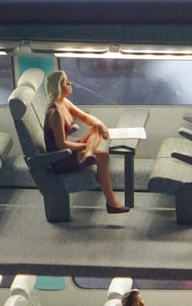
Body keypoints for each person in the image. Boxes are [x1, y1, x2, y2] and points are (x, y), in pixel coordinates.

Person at [43, 70, 129, 214]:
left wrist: (100, 124)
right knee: (102, 156)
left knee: (97, 129)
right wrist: (86, 145)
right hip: (60, 158)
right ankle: (112, 203)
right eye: (66, 82)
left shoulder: (64, 102)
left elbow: (85, 117)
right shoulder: (55, 113)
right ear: (58, 87)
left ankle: (88, 153)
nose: (70, 84)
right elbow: (61, 145)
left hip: (68, 151)